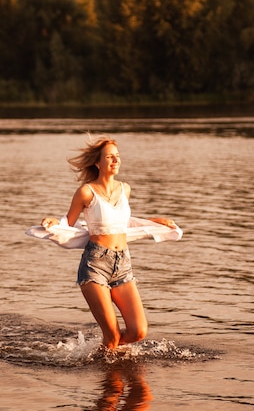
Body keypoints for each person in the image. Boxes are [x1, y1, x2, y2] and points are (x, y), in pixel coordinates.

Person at [41, 136, 176, 350]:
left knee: (138, 331)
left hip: (123, 264)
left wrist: (153, 221)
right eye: (109, 157)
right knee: (112, 335)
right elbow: (70, 222)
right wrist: (54, 222)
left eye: (117, 156)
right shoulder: (86, 192)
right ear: (98, 163)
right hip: (95, 265)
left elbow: (120, 222)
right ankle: (108, 368)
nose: (116, 160)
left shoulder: (125, 189)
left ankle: (98, 354)